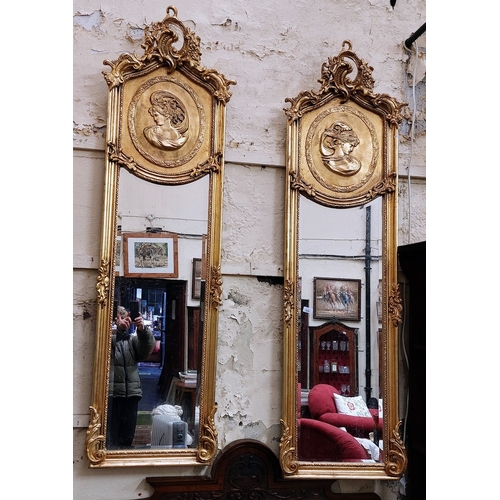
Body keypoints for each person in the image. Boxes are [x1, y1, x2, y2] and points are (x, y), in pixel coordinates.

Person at [107, 305, 156, 448]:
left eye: (125, 318)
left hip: (132, 394)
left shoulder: (131, 340)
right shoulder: (106, 339)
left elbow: (146, 349)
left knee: (128, 437)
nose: (124, 321)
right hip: (113, 395)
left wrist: (143, 330)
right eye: (120, 318)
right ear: (114, 320)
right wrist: (119, 330)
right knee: (112, 437)